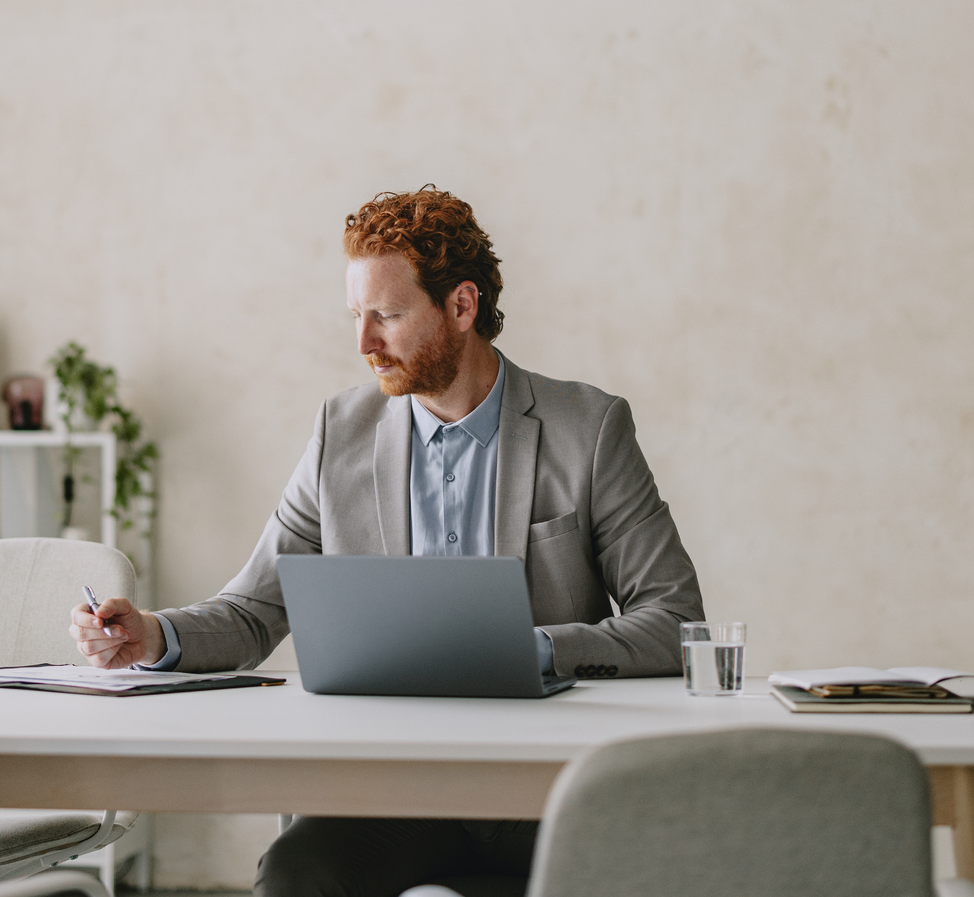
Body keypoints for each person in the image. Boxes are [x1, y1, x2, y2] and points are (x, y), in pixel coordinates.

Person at [70, 187, 704, 897]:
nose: (363, 343)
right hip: (393, 787)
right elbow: (252, 611)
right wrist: (152, 635)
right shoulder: (338, 434)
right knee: (294, 875)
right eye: (355, 316)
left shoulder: (587, 430)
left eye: (387, 316)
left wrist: (542, 650)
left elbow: (675, 620)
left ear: (461, 307)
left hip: (546, 788)